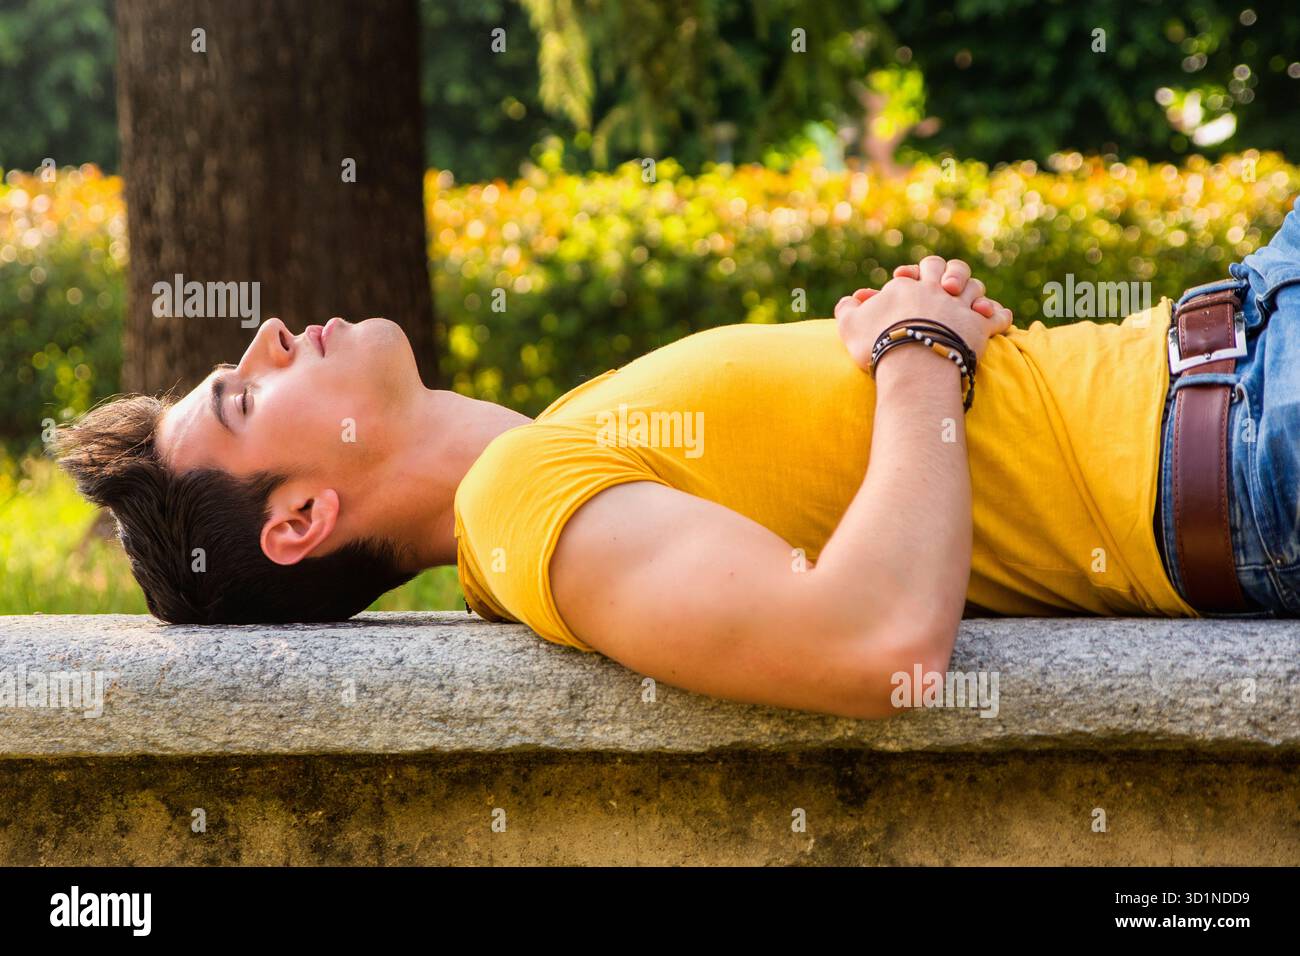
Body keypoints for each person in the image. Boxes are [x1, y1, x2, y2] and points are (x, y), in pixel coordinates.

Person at [51, 196, 1300, 720]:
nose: (268, 339)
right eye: (240, 392)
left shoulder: (557, 445)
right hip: (1247, 429)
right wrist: (922, 348)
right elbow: (874, 644)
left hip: (1245, 340)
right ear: (301, 517)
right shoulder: (521, 510)